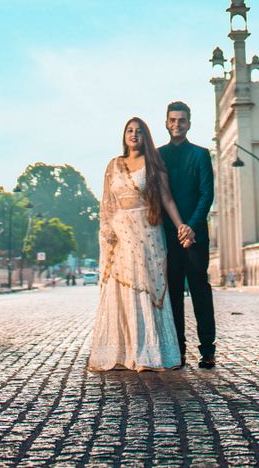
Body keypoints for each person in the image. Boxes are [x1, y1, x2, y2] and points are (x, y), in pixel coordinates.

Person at [88, 116, 194, 372]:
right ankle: (123, 352)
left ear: (146, 136)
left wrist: (180, 224)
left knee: (146, 285)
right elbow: (106, 202)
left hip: (147, 229)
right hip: (119, 232)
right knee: (121, 288)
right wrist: (106, 228)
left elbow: (166, 198)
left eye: (139, 131)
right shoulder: (114, 165)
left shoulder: (153, 164)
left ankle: (149, 352)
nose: (134, 135)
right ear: (124, 135)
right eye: (129, 131)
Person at [158, 101, 216, 369]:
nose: (177, 124)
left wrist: (191, 226)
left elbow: (207, 194)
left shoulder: (201, 154)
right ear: (167, 123)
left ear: (189, 124)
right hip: (168, 236)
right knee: (173, 297)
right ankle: (178, 350)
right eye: (173, 120)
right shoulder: (158, 156)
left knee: (200, 291)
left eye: (182, 120)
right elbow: (158, 196)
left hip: (195, 237)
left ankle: (207, 349)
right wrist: (179, 228)